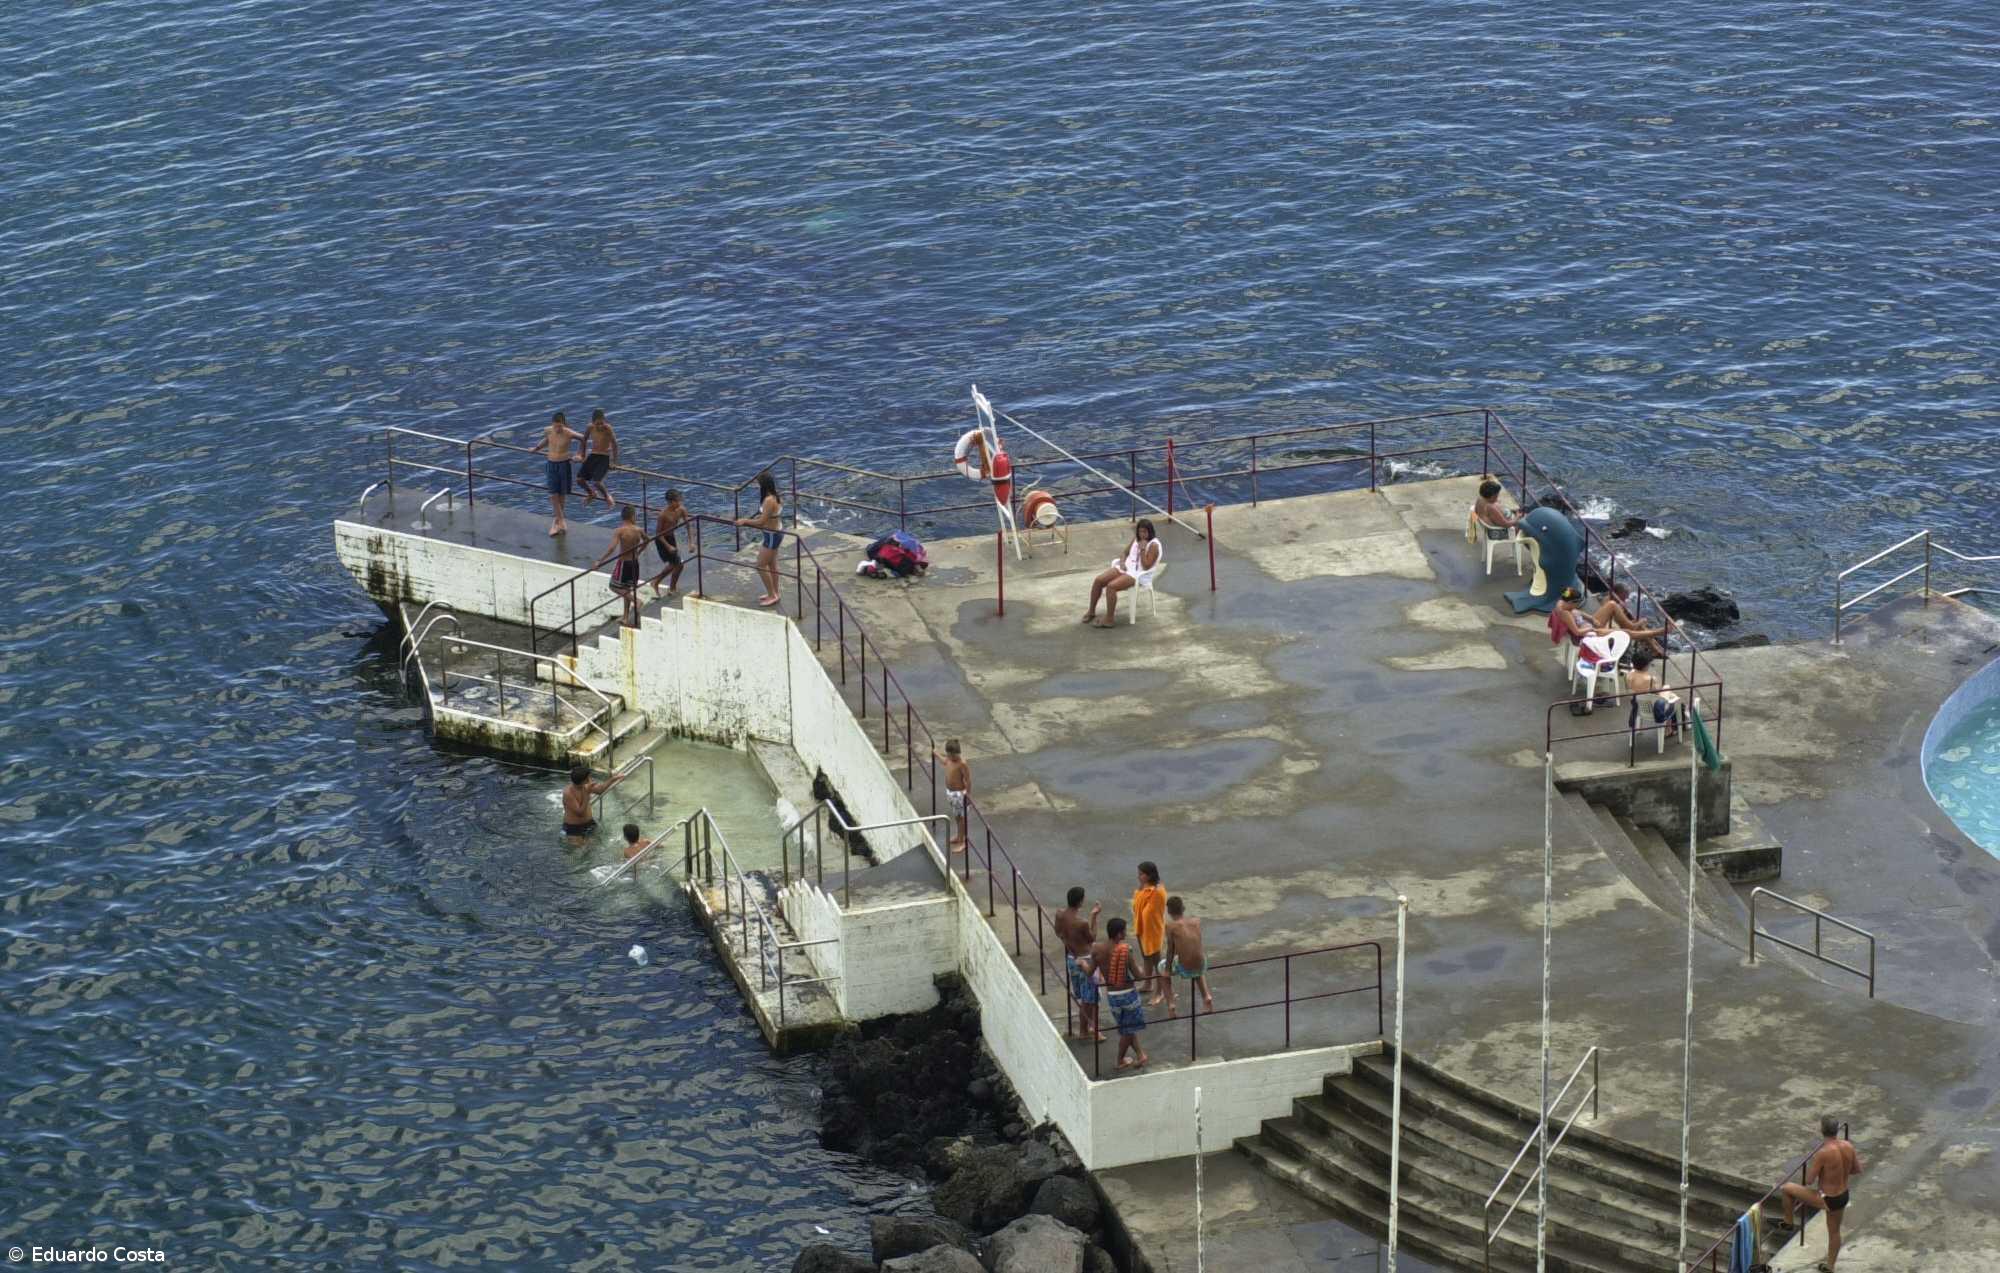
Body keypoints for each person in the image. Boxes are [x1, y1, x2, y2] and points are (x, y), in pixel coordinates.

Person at [1773, 1116, 1861, 1271]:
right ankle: (1830, 1266)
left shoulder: (1823, 1153)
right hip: (1843, 1195)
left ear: (1822, 1131)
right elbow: (1856, 1170)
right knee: (1834, 1232)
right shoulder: (1848, 1145)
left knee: (1787, 1188)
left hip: (1828, 1197)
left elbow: (1808, 1180)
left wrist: (1823, 1171)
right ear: (1836, 1129)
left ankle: (1788, 1221)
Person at [1083, 518, 1163, 627]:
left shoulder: (1153, 545)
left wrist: (1143, 549)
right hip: (1126, 568)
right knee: (1099, 580)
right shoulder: (1136, 539)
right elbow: (1125, 553)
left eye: (1145, 531)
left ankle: (1109, 619)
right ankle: (1091, 611)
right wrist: (1121, 563)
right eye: (1140, 531)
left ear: (1150, 531)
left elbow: (1146, 566)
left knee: (1111, 587)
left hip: (1137, 574)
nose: (1142, 534)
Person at [1097, 917, 1148, 1071]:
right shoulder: (1125, 952)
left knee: (1127, 1028)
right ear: (1119, 934)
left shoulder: (1099, 950)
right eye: (1124, 931)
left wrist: (1083, 964)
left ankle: (1140, 1054)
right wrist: (1143, 968)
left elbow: (1090, 970)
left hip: (1112, 996)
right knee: (1128, 1030)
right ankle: (1120, 1060)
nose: (1126, 933)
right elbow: (1139, 976)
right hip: (1128, 995)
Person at [1054, 886, 1103, 1042]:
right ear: (1080, 901)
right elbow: (1092, 937)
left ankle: (1086, 1029)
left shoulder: (1059, 914)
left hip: (1071, 958)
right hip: (1085, 959)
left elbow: (1058, 933)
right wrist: (1094, 917)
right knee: (1090, 1000)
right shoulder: (1081, 923)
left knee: (1085, 998)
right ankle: (1087, 1031)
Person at [590, 504, 650, 628]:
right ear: (632, 516)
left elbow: (612, 548)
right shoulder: (638, 530)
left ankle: (636, 601)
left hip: (623, 563)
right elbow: (647, 540)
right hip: (635, 563)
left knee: (614, 586)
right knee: (627, 589)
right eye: (635, 516)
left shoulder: (620, 531)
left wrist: (599, 561)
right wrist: (639, 552)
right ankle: (626, 617)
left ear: (623, 517)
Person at [1160, 895, 1215, 1016]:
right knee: (1196, 968)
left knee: (1161, 968)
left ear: (1168, 911)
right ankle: (1206, 996)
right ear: (1183, 908)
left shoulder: (1170, 926)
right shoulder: (1196, 921)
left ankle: (1171, 1004)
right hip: (1201, 963)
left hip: (1186, 967)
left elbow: (1170, 950)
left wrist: (1167, 970)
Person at [736, 470, 783, 607]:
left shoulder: (769, 500)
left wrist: (744, 521)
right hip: (774, 533)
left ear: (763, 485)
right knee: (772, 565)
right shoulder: (775, 496)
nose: (757, 486)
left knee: (760, 565)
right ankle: (775, 592)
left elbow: (761, 522)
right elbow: (768, 518)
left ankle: (772, 595)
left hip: (772, 536)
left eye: (758, 484)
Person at [1131, 861, 1168, 1005]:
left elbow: (1153, 912)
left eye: (1141, 874)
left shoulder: (1158, 891)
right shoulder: (1145, 889)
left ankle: (1160, 992)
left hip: (1152, 932)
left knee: (1157, 963)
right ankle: (1148, 984)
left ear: (1149, 875)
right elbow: (1137, 903)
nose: (1138, 877)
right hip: (1142, 929)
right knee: (1146, 958)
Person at [1624, 652, 1684, 740]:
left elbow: (1630, 690)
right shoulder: (1650, 679)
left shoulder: (1628, 676)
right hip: (1652, 708)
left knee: (1667, 693)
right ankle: (1670, 728)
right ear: (1645, 666)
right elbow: (1657, 692)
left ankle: (1669, 728)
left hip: (1637, 706)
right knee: (1669, 692)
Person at [561, 763, 625, 845]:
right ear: (583, 781)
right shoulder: (568, 793)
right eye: (588, 778)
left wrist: (614, 778)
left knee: (597, 844)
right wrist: (586, 794)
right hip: (574, 828)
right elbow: (580, 813)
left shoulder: (585, 786)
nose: (590, 779)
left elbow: (600, 790)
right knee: (580, 852)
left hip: (589, 823)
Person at [648, 489, 691, 596]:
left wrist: (691, 542)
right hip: (662, 540)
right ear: (671, 502)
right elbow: (658, 534)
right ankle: (657, 583)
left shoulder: (681, 510)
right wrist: (668, 547)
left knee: (677, 564)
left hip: (671, 538)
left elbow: (688, 525)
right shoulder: (663, 515)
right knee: (677, 564)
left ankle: (668, 587)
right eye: (678, 501)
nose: (680, 503)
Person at [541, 411, 577, 536]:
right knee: (552, 494)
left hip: (563, 464)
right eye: (555, 426)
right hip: (551, 463)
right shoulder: (548, 430)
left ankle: (556, 523)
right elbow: (547, 440)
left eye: (560, 426)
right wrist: (536, 448)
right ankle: (561, 521)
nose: (558, 428)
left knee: (561, 495)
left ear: (564, 424)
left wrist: (580, 454)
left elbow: (584, 439)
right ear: (552, 424)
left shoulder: (569, 433)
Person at [578, 408, 619, 507]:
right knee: (579, 480)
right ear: (592, 422)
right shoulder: (590, 427)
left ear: (604, 421)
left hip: (604, 457)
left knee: (597, 482)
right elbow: (584, 440)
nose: (600, 426)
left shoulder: (608, 428)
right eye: (597, 424)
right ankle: (591, 493)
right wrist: (582, 455)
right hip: (593, 455)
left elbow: (615, 444)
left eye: (602, 423)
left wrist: (614, 462)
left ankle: (607, 496)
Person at [939, 739, 971, 851]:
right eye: (950, 755)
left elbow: (967, 780)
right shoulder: (949, 759)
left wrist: (968, 795)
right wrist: (936, 753)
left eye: (954, 755)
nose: (953, 757)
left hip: (959, 794)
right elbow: (944, 761)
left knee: (961, 818)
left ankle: (962, 842)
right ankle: (959, 836)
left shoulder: (962, 763)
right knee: (957, 817)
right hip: (951, 793)